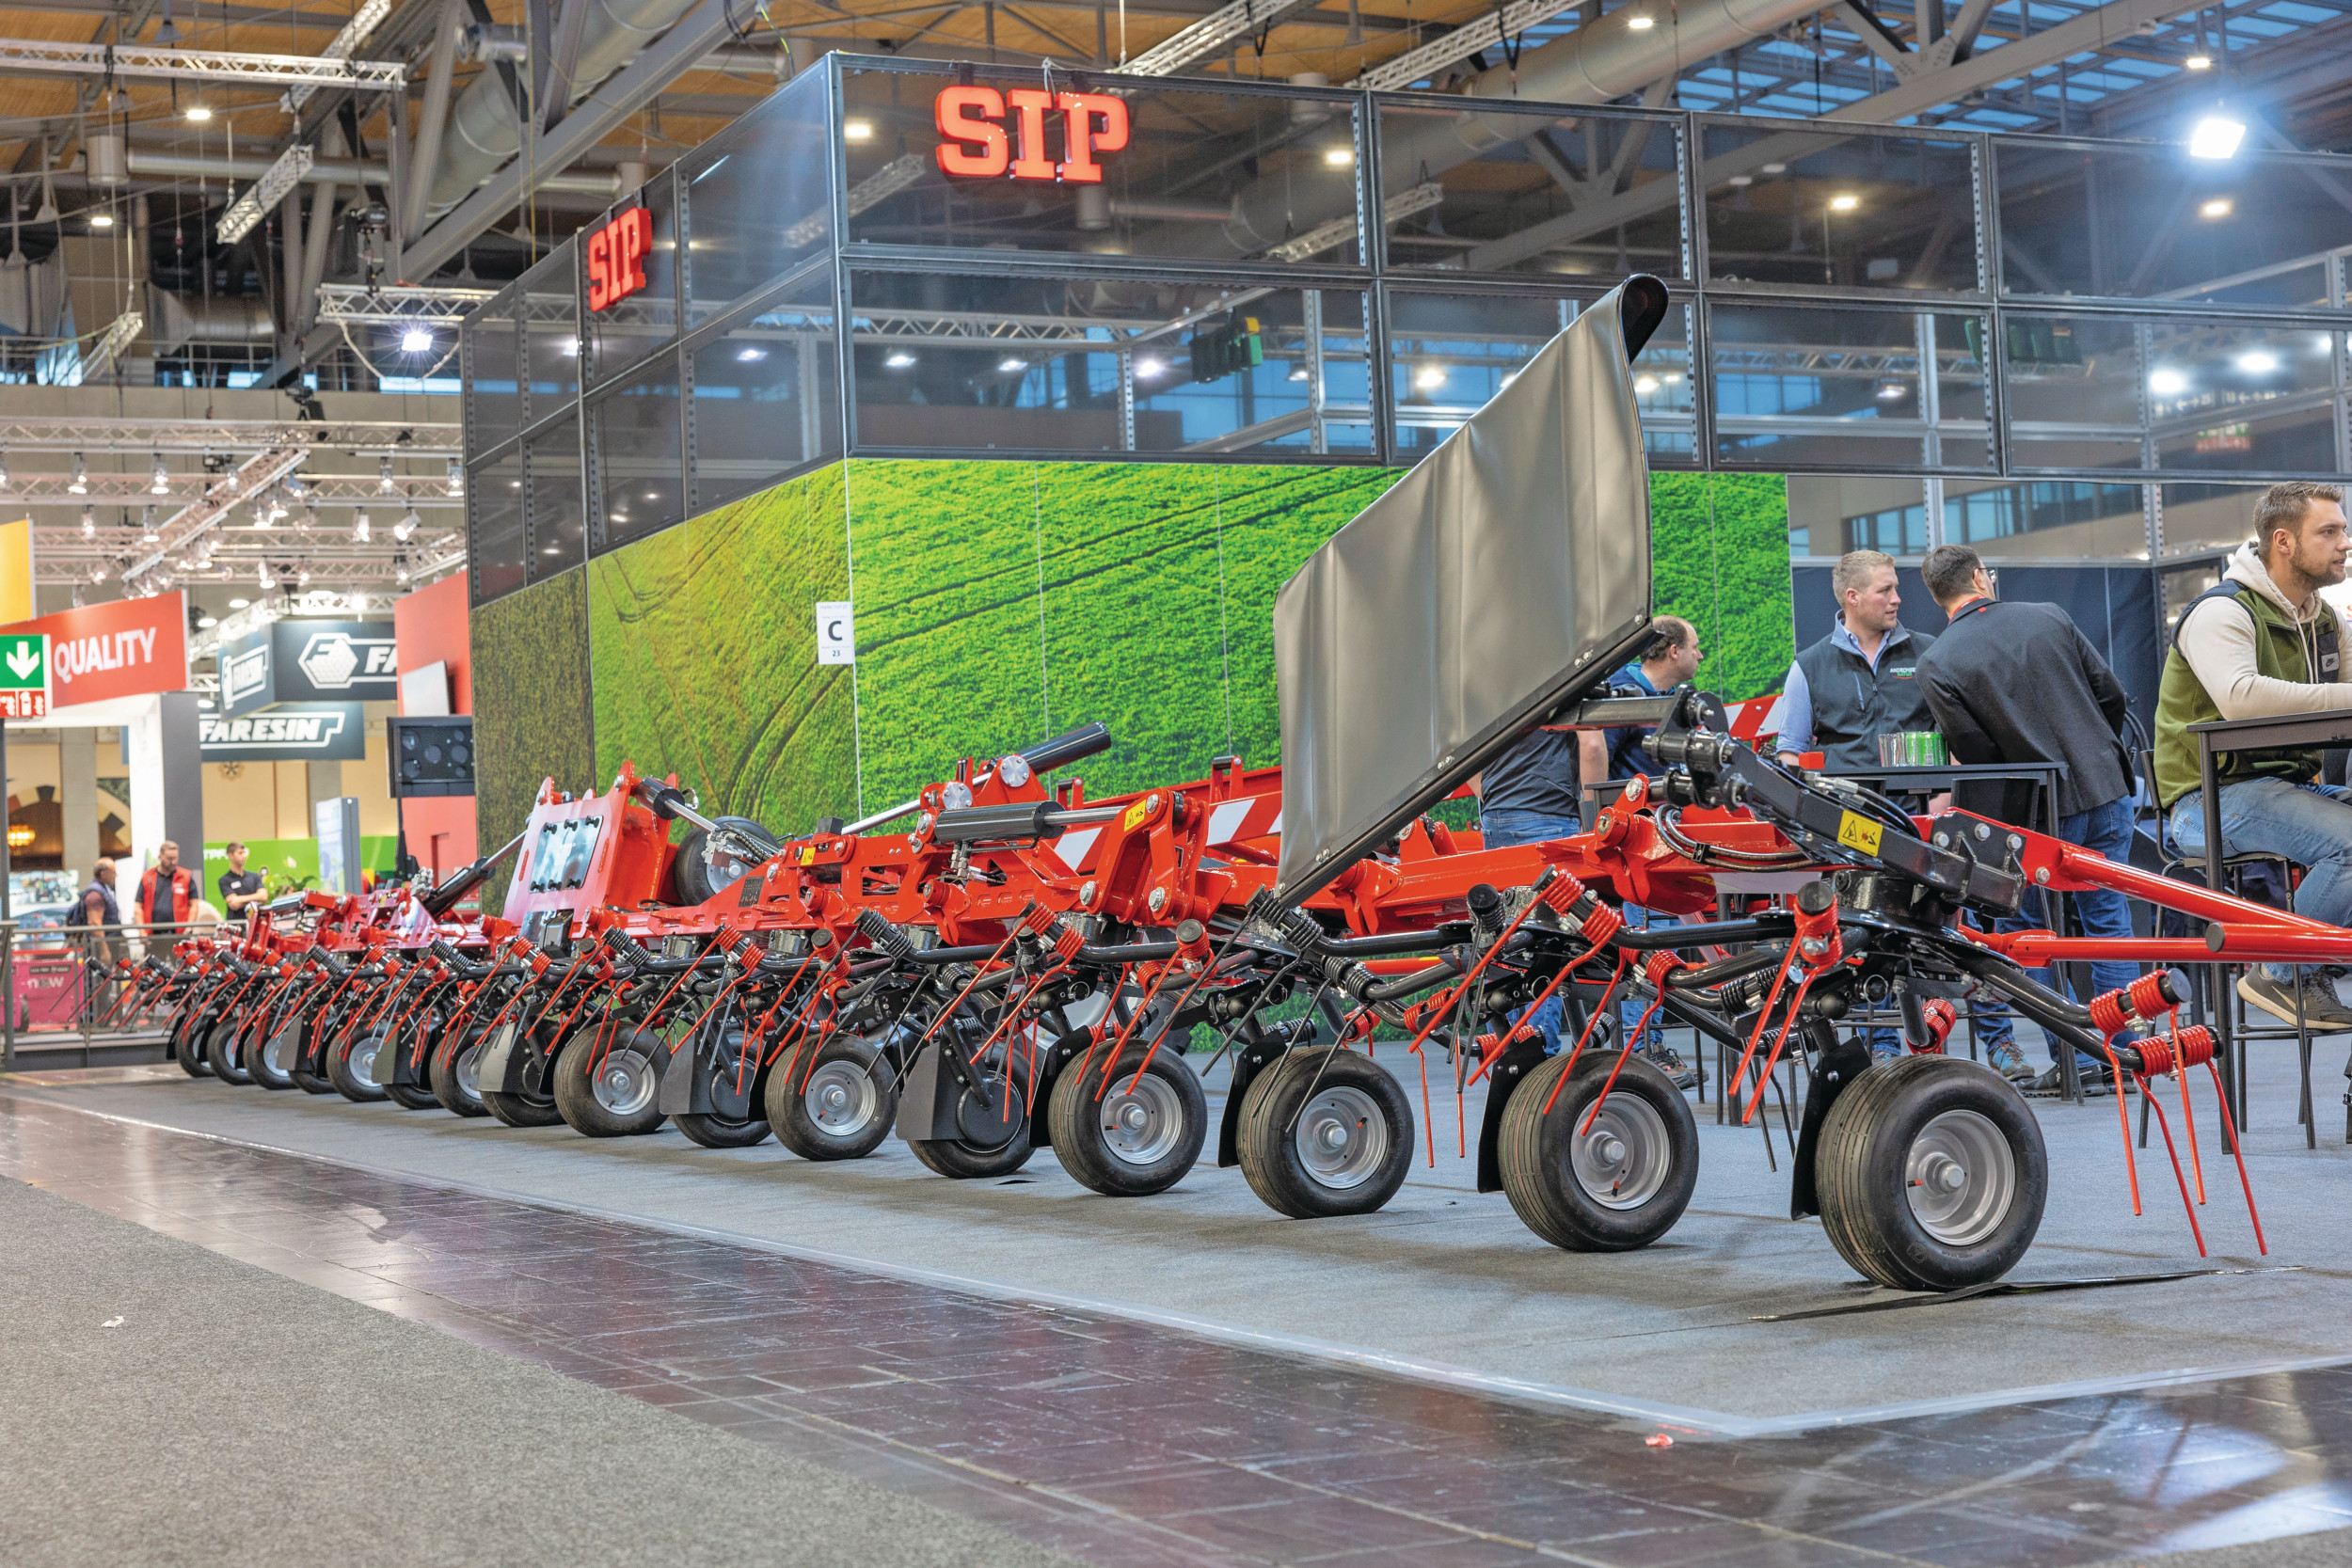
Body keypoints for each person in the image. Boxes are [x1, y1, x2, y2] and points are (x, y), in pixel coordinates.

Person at [1915, 544, 2141, 1092]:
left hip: (2034, 814)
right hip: (2106, 787)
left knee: (2032, 933)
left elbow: (1975, 754)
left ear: (1938, 596)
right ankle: (2126, 1058)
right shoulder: (2049, 616)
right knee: (2108, 923)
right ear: (1978, 577)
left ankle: (2075, 1060)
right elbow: (2111, 695)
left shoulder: (1936, 662)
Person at [2154, 481, 2352, 1036]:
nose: (2345, 542)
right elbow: (2243, 699)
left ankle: (2305, 967)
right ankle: (2284, 971)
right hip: (2207, 802)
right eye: (2330, 531)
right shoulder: (2222, 611)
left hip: (2286, 792)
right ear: (2283, 541)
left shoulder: (2324, 620)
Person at [1578, 616, 1704, 1090]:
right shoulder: (1623, 695)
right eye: (1695, 646)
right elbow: (1597, 770)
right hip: (1631, 849)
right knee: (1641, 947)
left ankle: (1642, 1046)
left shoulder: (1666, 701)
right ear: (1672, 650)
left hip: (1666, 845)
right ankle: (1640, 1051)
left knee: (1657, 948)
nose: (1700, 655)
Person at [1770, 550, 1938, 771]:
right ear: (1853, 597)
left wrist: (1943, 797)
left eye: (1895, 588)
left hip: (1921, 803)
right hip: (1843, 804)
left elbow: (1957, 735)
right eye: (1885, 590)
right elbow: (1790, 752)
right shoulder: (1809, 666)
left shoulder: (1929, 652)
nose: (1896, 598)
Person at [137, 841, 196, 935]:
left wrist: (189, 928)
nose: (173, 862)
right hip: (153, 933)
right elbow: (138, 906)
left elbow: (194, 905)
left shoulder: (186, 876)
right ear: (160, 857)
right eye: (169, 858)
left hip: (179, 933)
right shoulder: (147, 877)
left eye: (175, 858)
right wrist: (141, 931)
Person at [217, 841, 265, 921]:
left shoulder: (254, 876)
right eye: (240, 853)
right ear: (230, 855)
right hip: (237, 924)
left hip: (255, 922)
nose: (244, 856)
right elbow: (234, 905)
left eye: (244, 853)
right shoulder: (224, 880)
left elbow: (263, 896)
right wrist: (255, 899)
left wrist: (240, 899)